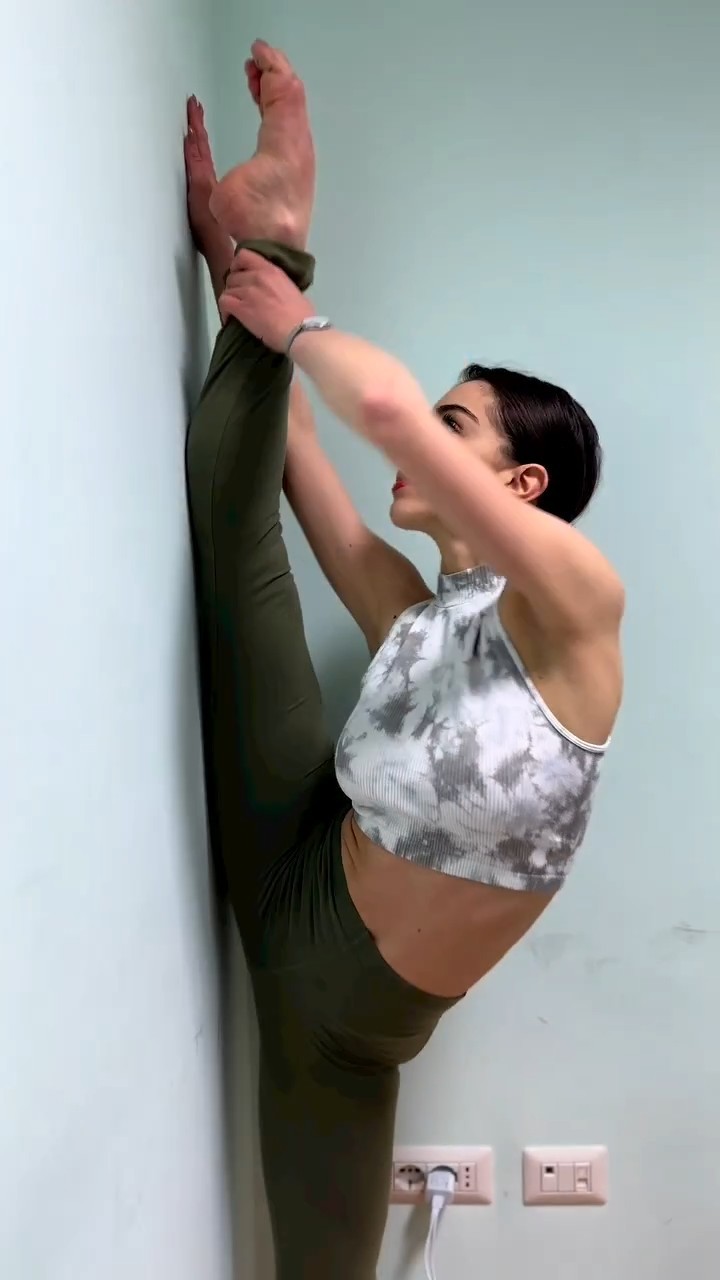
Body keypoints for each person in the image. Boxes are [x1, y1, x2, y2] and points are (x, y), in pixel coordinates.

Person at [184, 41, 624, 1280]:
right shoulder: (423, 621)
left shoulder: (581, 610)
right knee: (237, 537)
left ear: (521, 483)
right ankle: (273, 222)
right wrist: (243, 267)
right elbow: (299, 453)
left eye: (454, 422)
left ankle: (284, 233)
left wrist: (300, 310)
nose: (423, 431)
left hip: (344, 1031)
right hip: (300, 858)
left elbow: (374, 409)